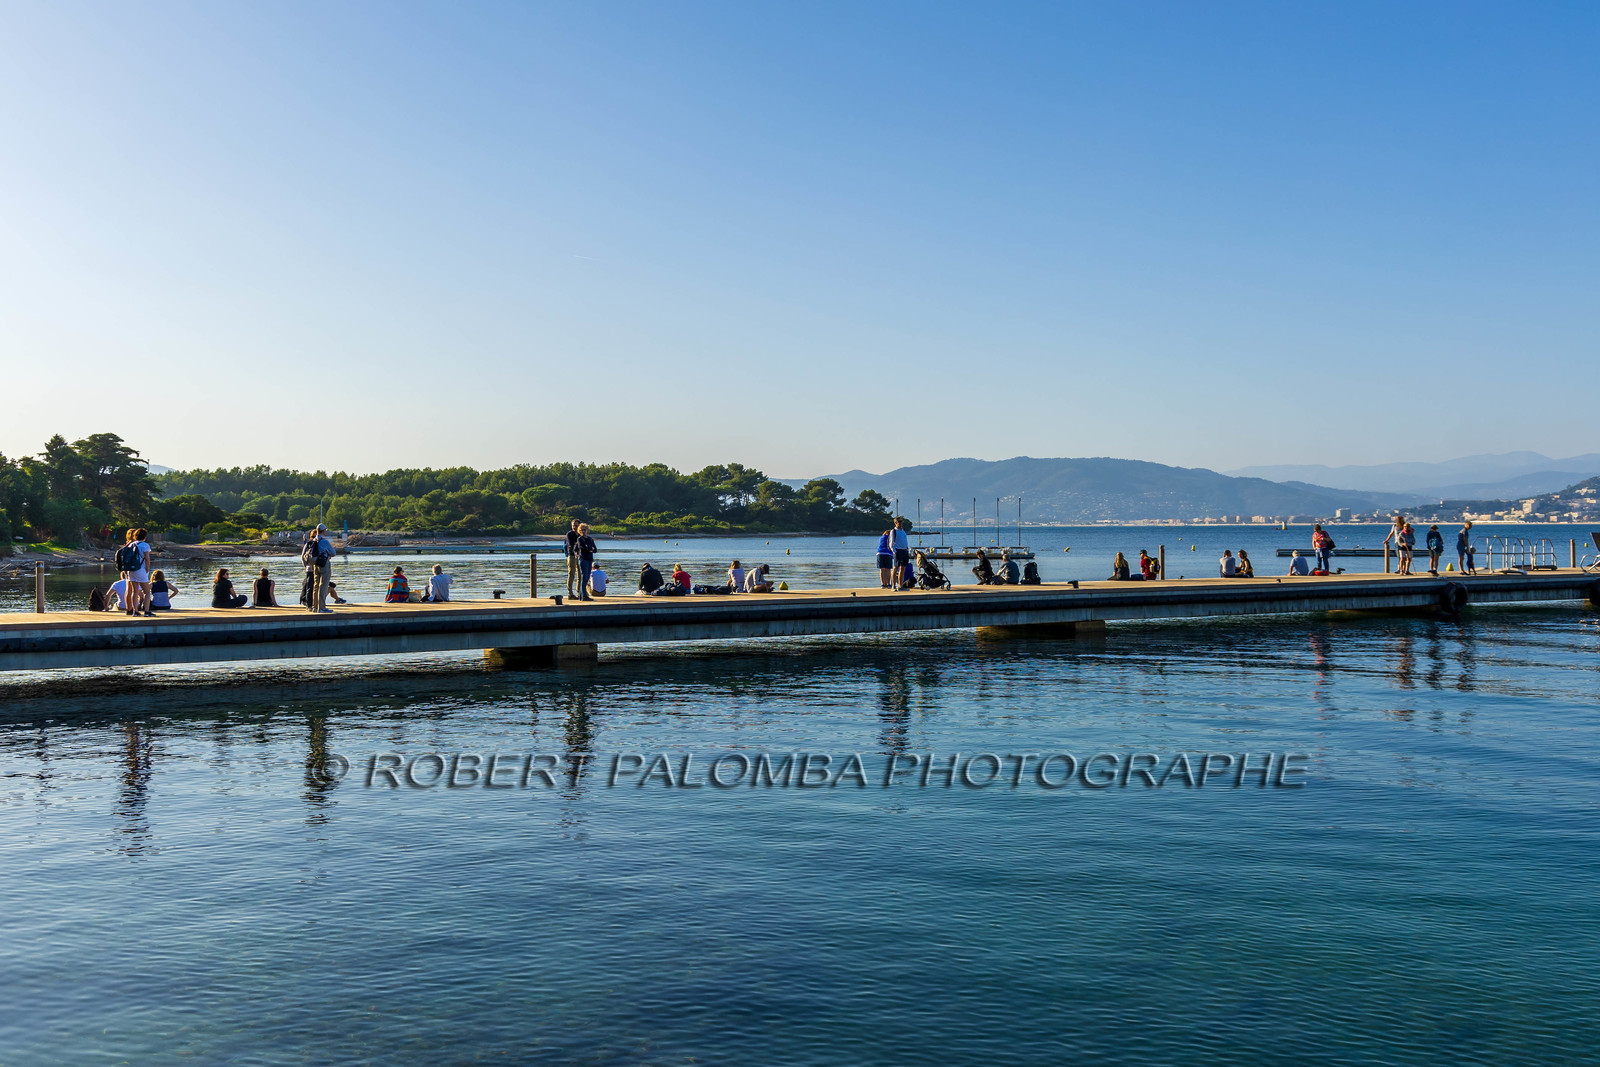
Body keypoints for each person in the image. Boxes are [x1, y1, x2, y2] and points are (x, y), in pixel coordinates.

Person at [118, 527, 154, 617]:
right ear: (145, 536)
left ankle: (135, 611)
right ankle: (146, 611)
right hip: (140, 570)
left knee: (135, 591)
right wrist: (147, 568)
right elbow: (147, 558)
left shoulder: (131, 544)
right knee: (147, 592)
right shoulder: (145, 545)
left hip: (131, 570)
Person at [303, 523, 335, 613]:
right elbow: (333, 553)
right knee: (323, 585)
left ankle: (314, 606)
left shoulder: (314, 540)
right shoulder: (324, 541)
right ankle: (321, 607)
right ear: (324, 531)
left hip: (315, 564)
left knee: (316, 585)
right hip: (324, 563)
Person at [575, 523, 597, 601]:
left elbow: (595, 549)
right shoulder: (580, 539)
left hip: (589, 559)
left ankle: (583, 595)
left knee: (587, 577)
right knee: (584, 577)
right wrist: (589, 549)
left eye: (585, 530)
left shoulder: (590, 539)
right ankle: (583, 595)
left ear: (587, 530)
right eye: (581, 530)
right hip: (583, 559)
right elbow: (582, 547)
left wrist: (590, 549)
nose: (583, 531)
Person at [891, 519, 911, 590]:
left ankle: (900, 585)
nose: (900, 524)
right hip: (898, 551)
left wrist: (907, 550)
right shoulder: (893, 531)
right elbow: (891, 542)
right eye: (898, 522)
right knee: (896, 567)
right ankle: (893, 585)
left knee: (903, 568)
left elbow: (905, 540)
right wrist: (894, 551)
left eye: (901, 522)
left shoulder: (903, 531)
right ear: (895, 523)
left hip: (904, 551)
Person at [564, 519, 581, 598]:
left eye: (576, 525)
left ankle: (579, 592)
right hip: (572, 556)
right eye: (573, 525)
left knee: (580, 575)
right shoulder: (569, 534)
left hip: (580, 556)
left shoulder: (580, 534)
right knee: (571, 574)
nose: (575, 527)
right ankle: (570, 593)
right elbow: (571, 544)